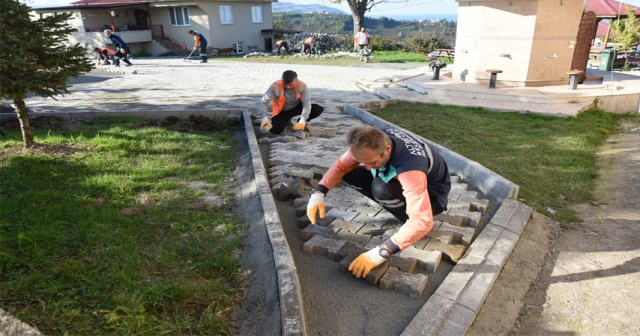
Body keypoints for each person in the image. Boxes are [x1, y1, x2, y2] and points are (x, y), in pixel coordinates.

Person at [307, 125, 451, 278]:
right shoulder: (370, 139)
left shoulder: (410, 169)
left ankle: (408, 224)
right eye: (363, 162)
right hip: (407, 179)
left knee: (381, 188)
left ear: (387, 150)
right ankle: (397, 204)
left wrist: (379, 253)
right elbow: (341, 165)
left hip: (432, 197)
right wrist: (319, 193)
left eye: (372, 162)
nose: (368, 168)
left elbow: (423, 221)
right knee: (349, 173)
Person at [258, 70, 324, 134]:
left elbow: (306, 102)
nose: (288, 87)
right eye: (285, 84)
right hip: (283, 111)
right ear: (282, 79)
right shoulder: (275, 86)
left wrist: (303, 119)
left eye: (291, 85)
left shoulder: (302, 85)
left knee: (317, 109)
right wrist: (264, 117)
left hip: (297, 107)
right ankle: (287, 121)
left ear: (296, 81)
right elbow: (263, 102)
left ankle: (300, 122)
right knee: (275, 130)